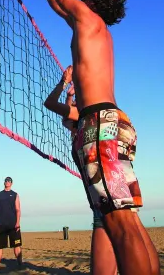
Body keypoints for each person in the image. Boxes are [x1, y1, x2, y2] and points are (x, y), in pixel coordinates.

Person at [30, 0, 159, 275]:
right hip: (117, 125)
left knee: (119, 226)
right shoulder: (96, 28)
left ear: (91, 0)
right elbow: (62, 9)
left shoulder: (87, 16)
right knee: (128, 221)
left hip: (100, 126)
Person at [44, 65, 117, 275]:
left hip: (105, 198)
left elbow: (52, 105)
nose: (73, 103)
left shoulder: (87, 117)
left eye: (77, 100)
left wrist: (64, 81)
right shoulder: (90, 121)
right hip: (106, 196)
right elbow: (67, 118)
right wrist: (70, 96)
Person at [0, 176, 23, 270]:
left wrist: (17, 222)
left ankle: (20, 265)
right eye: (6, 181)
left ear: (11, 183)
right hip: (1, 224)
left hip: (13, 224)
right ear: (4, 182)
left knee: (17, 246)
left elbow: (18, 210)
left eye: (9, 181)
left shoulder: (15, 195)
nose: (7, 182)